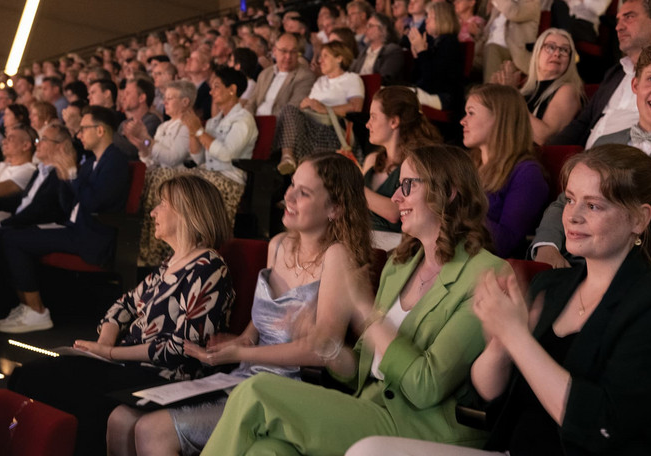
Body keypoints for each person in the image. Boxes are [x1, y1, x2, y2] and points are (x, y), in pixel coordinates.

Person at [348, 144, 651, 456]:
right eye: (570, 199)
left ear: (639, 218)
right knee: (369, 450)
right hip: (514, 449)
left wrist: (517, 337)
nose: (572, 216)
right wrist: (499, 344)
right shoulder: (552, 286)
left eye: (593, 205)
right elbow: (489, 396)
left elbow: (599, 426)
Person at [201, 145, 506, 455]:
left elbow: (425, 386)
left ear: (450, 192)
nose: (396, 197)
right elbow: (355, 369)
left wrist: (366, 312)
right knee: (265, 451)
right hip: (368, 409)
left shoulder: (485, 274)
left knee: (254, 392)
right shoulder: (400, 265)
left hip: (423, 429)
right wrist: (326, 346)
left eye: (408, 185)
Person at [106, 154, 373, 456]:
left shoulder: (337, 256)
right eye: (292, 185)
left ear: (335, 208)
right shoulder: (280, 244)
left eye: (305, 192)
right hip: (243, 376)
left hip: (287, 390)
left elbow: (320, 349)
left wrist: (242, 352)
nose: (289, 195)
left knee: (150, 430)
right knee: (122, 417)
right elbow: (258, 328)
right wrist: (232, 344)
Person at [7, 174, 235, 456]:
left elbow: (181, 348)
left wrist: (111, 353)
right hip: (127, 365)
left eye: (162, 204)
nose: (153, 212)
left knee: (83, 398)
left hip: (167, 377)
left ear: (188, 211)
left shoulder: (209, 267)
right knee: (29, 375)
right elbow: (123, 305)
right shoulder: (170, 263)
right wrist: (105, 344)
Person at [533, 40, 651, 269]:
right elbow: (565, 201)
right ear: (635, 85)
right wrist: (547, 247)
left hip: (644, 266)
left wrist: (624, 195)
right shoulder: (606, 141)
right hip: (575, 263)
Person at [0, 106, 129, 333]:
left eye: (84, 129)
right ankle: (26, 306)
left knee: (13, 240)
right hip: (75, 228)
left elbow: (94, 203)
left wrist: (72, 174)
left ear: (101, 130)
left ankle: (36, 311)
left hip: (92, 235)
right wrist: (64, 176)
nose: (79, 134)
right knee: (10, 236)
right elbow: (69, 205)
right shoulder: (92, 162)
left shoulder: (115, 161)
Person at [550, 0, 651, 147]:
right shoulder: (615, 73)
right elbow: (582, 123)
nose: (618, 27)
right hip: (588, 165)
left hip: (640, 169)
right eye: (618, 20)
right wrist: (543, 153)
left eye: (629, 17)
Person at [139, 67, 258, 267]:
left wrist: (199, 130)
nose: (211, 92)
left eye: (217, 86)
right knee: (158, 176)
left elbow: (227, 153)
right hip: (206, 173)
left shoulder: (244, 119)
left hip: (227, 177)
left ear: (232, 89)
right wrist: (193, 131)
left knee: (173, 182)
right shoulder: (214, 120)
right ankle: (155, 253)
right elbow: (198, 156)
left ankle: (172, 254)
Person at [461, 84, 548, 258]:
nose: (463, 121)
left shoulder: (527, 173)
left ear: (499, 118)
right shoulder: (468, 164)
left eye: (471, 113)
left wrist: (457, 205)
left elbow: (505, 244)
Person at [363, 86, 442, 250]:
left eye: (373, 117)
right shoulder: (372, 160)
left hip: (398, 249)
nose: (367, 124)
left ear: (394, 121)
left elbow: (395, 212)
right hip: (363, 241)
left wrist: (350, 186)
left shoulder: (418, 163)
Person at [276, 41, 364, 175]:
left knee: (289, 115)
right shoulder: (320, 81)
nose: (320, 60)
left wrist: (325, 108)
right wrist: (306, 105)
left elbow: (356, 107)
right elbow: (310, 108)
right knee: (289, 109)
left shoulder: (352, 79)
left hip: (332, 129)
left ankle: (291, 161)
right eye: (320, 56)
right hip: (312, 126)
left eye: (325, 56)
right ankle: (287, 158)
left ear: (339, 58)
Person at [493, 29, 584, 145]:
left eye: (564, 50)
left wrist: (511, 95)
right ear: (537, 53)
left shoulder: (568, 90)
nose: (557, 54)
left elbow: (544, 138)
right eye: (550, 47)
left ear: (570, 60)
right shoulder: (524, 91)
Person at [124, 80, 198, 169]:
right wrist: (143, 146)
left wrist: (146, 139)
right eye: (164, 98)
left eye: (169, 98)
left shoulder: (188, 126)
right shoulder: (163, 126)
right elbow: (153, 163)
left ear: (185, 102)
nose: (164, 102)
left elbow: (173, 159)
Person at [410, 1, 466, 114]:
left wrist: (421, 51)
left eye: (431, 17)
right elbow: (417, 79)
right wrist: (417, 56)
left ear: (443, 20)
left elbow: (433, 81)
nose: (426, 20)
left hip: (445, 97)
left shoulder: (450, 43)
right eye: (427, 17)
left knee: (400, 97)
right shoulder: (433, 43)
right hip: (431, 93)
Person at [245, 33, 317, 117]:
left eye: (293, 52)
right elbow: (251, 103)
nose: (288, 56)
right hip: (255, 123)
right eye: (284, 51)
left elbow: (293, 109)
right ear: (275, 51)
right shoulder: (265, 73)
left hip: (280, 124)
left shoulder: (305, 76)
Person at [480, 0, 540, 81]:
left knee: (491, 49)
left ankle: (490, 91)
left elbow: (514, 13)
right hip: (485, 50)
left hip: (512, 53)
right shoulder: (501, 6)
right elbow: (488, 31)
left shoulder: (532, 4)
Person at [349, 13, 405, 85]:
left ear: (383, 30)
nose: (366, 29)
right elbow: (352, 72)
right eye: (367, 26)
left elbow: (385, 78)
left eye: (370, 26)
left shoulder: (393, 50)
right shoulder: (364, 51)